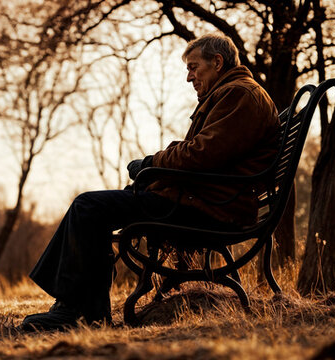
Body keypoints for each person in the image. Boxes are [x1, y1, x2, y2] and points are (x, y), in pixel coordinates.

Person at [21, 33, 280, 331]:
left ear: (217, 62)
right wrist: (155, 170)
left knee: (88, 206)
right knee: (93, 206)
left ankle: (78, 312)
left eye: (194, 67)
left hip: (210, 208)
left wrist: (151, 163)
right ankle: (77, 307)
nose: (189, 77)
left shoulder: (240, 95)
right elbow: (205, 152)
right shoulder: (232, 94)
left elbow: (201, 155)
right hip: (206, 200)